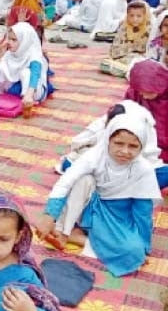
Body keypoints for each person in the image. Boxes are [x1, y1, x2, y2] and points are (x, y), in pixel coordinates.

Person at [35, 114, 161, 277]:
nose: (124, 151)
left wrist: (144, 245)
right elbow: (64, 183)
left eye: (133, 146)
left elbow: (143, 211)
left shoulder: (143, 169)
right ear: (108, 139)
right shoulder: (94, 156)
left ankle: (79, 238)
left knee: (133, 252)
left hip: (118, 218)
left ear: (141, 147)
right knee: (83, 180)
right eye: (118, 143)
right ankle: (63, 232)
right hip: (89, 207)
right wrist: (49, 215)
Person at [0, 22, 50, 116]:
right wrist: (0, 54)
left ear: (24, 41)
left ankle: (27, 103)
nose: (9, 42)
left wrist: (29, 95)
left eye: (14, 40)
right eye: (9, 38)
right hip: (15, 88)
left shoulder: (34, 55)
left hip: (33, 90)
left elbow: (35, 75)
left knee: (25, 72)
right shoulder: (10, 53)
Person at [126, 60, 168, 163]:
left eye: (148, 92)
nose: (143, 96)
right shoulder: (134, 92)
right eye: (140, 92)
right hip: (141, 140)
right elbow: (125, 111)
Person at [99, 0, 151, 77]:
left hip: (142, 57)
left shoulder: (149, 29)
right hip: (124, 57)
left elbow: (151, 49)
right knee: (107, 63)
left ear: (145, 16)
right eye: (131, 15)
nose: (135, 19)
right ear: (127, 15)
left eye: (139, 16)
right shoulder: (124, 28)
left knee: (144, 64)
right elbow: (116, 48)